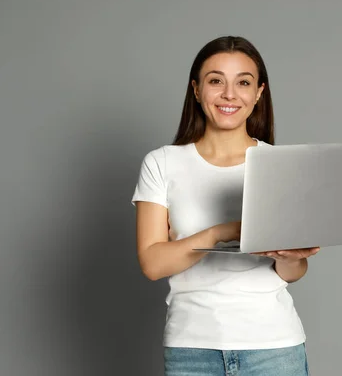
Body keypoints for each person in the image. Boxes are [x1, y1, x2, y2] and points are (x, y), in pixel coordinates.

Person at [132, 36, 320, 375]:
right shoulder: (162, 163)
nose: (229, 94)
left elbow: (291, 273)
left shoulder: (279, 164)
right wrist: (223, 231)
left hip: (274, 349)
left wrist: (292, 257)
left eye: (243, 82)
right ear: (196, 89)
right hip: (192, 350)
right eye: (216, 80)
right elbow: (152, 263)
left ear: (259, 92)